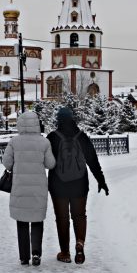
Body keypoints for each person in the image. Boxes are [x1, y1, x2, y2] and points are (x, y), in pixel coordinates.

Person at [47, 107, 109, 264]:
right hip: (80, 184)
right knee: (79, 215)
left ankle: (65, 253)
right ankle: (80, 243)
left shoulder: (52, 137)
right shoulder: (82, 137)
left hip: (58, 185)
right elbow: (92, 161)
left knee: (62, 218)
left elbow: (46, 162)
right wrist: (101, 181)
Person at [3, 111, 56, 266]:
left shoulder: (14, 142)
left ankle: (24, 256)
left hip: (19, 187)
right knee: (37, 220)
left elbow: (7, 163)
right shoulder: (44, 142)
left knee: (22, 222)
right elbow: (50, 164)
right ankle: (36, 254)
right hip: (38, 188)